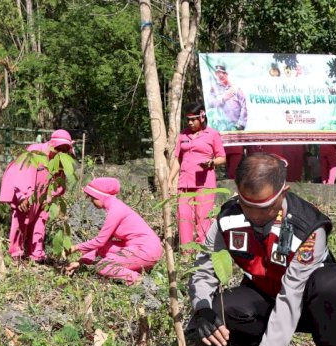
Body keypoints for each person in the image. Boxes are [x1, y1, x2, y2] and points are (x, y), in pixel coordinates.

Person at [186, 153, 336, 346]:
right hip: (265, 294)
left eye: (265, 207)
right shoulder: (228, 217)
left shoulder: (308, 228)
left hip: (311, 306)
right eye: (247, 205)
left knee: (331, 285)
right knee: (221, 306)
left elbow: (291, 296)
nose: (255, 216)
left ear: (283, 192)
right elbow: (205, 266)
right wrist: (202, 308)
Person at [66, 177, 162, 284]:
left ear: (99, 196)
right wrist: (80, 262)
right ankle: (129, 269)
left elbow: (99, 241)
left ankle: (138, 279)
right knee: (104, 248)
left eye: (92, 198)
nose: (91, 201)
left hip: (145, 251)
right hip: (138, 248)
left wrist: (75, 247)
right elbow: (102, 245)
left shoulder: (116, 210)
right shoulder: (115, 207)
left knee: (102, 266)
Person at [0, 129, 73, 262]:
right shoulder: (35, 151)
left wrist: (50, 197)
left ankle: (37, 254)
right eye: (58, 148)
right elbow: (23, 172)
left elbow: (60, 181)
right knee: (20, 222)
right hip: (27, 194)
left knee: (40, 223)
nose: (60, 152)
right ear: (52, 144)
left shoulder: (61, 159)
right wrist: (23, 196)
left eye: (64, 149)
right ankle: (16, 253)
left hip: (44, 197)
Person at [169, 102, 226, 247]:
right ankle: (186, 252)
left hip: (204, 183)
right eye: (187, 119)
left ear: (201, 117)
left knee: (203, 217)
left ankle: (203, 251)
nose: (189, 122)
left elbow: (222, 158)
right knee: (184, 216)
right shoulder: (183, 134)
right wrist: (170, 180)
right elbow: (178, 159)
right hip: (185, 183)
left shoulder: (212, 134)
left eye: (193, 119)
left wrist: (211, 162)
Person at [208, 64, 248, 131]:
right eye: (218, 74)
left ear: (226, 74)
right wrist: (223, 99)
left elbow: (244, 107)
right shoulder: (214, 89)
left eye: (222, 74)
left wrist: (241, 125)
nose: (220, 76)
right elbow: (210, 104)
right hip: (220, 126)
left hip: (236, 126)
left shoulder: (236, 88)